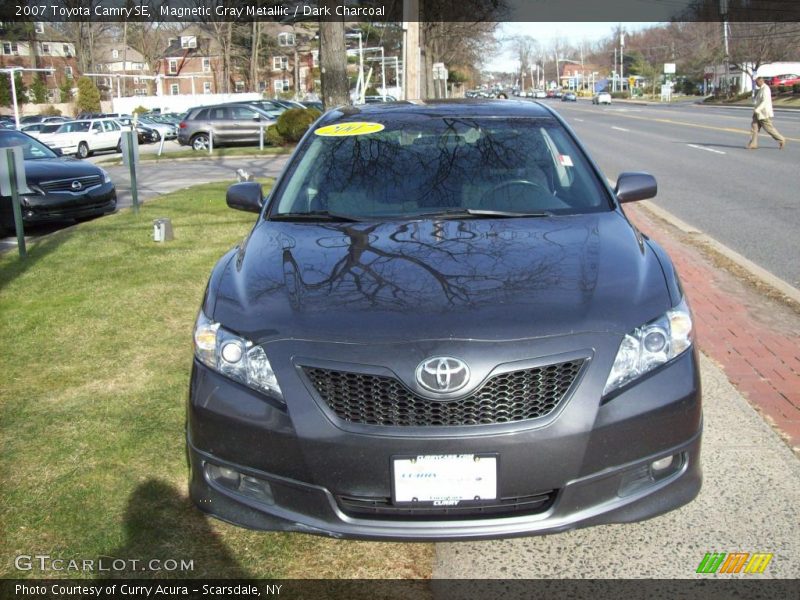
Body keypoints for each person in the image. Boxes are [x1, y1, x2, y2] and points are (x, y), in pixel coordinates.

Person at [747, 76, 785, 150]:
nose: (756, 84)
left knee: (769, 129)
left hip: (763, 113)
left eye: (757, 82)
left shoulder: (766, 89)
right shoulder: (761, 89)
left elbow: (765, 101)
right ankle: (753, 144)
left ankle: (781, 139)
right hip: (757, 113)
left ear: (761, 81)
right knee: (754, 128)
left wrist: (758, 109)